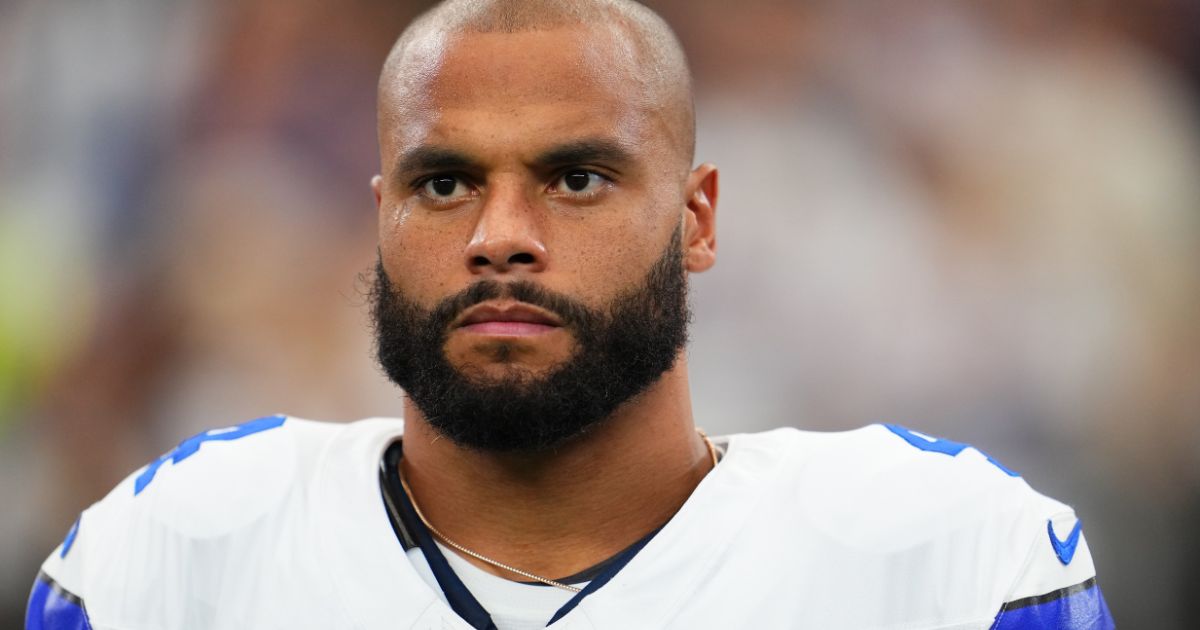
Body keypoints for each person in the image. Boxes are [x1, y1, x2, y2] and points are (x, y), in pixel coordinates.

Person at [26, 1, 1114, 628]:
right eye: (443, 183)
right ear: (382, 219)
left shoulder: (946, 562)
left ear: (697, 219)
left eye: (577, 178)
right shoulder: (175, 554)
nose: (500, 233)